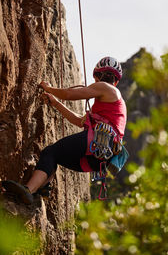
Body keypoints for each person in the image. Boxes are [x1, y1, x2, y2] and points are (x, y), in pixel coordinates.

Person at [2, 57, 127, 204]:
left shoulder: (106, 88)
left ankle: (29, 190)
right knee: (54, 156)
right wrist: (55, 102)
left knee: (51, 152)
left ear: (97, 75)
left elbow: (69, 95)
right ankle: (37, 193)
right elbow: (78, 121)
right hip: (98, 159)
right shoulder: (111, 106)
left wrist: (49, 88)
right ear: (117, 80)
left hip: (96, 143)